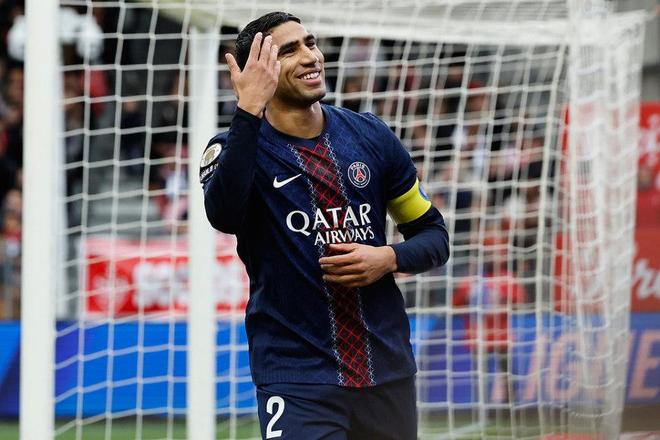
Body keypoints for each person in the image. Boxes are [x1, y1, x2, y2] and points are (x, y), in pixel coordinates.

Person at [200, 12, 449, 440]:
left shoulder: (370, 136)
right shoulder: (233, 148)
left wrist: (388, 258)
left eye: (310, 43)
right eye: (289, 51)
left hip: (385, 368)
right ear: (257, 72)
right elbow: (223, 215)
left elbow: (434, 236)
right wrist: (248, 110)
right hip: (296, 375)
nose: (310, 56)